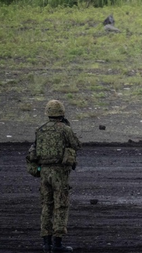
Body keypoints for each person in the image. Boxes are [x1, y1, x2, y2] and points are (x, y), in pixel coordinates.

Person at [34, 100, 81, 252]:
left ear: (47, 113)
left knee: (46, 206)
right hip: (59, 173)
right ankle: (57, 244)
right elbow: (76, 145)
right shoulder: (65, 129)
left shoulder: (40, 130)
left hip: (44, 172)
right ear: (62, 113)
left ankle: (46, 243)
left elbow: (35, 150)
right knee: (60, 206)